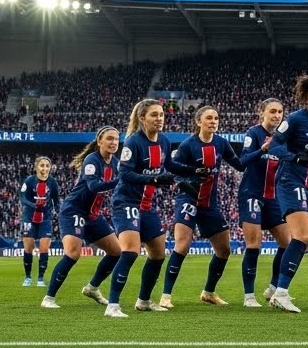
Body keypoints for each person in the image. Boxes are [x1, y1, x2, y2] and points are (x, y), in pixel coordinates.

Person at [106, 99, 194, 317]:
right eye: (154, 115)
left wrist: (191, 171)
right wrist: (154, 179)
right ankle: (112, 305)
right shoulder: (133, 142)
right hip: (127, 202)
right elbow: (125, 174)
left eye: (161, 114)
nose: (159, 118)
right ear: (142, 118)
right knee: (130, 251)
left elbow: (170, 166)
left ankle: (144, 301)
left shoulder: (164, 141)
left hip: (148, 205)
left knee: (158, 253)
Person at [162, 105, 246, 308]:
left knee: (224, 250)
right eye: (209, 118)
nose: (213, 121)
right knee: (182, 245)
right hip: (188, 199)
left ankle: (208, 292)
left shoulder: (221, 143)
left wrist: (261, 152)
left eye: (216, 118)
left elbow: (240, 164)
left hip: (209, 203)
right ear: (199, 122)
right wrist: (184, 183)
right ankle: (166, 296)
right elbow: (174, 172)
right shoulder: (188, 145)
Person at [266, 74, 308, 313]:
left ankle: (275, 287)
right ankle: (281, 293)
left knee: (304, 243)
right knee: (301, 237)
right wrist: (293, 156)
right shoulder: (295, 119)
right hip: (290, 181)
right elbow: (274, 145)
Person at [41, 126, 124, 310]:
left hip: (93, 215)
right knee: (73, 253)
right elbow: (94, 186)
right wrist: (121, 180)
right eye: (109, 139)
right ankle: (49, 298)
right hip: (74, 210)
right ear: (99, 141)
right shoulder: (92, 160)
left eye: (116, 139)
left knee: (117, 252)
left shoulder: (116, 163)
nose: (114, 142)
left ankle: (92, 288)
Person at [238, 98, 292, 307]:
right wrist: (262, 149)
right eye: (272, 111)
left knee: (287, 243)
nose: (277, 115)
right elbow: (242, 161)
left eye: (280, 112)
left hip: (274, 197)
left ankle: (273, 288)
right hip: (252, 194)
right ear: (262, 112)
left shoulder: (283, 138)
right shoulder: (253, 133)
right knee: (254, 244)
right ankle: (249, 296)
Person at [18, 156, 57, 287]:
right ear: (36, 167)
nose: (44, 168)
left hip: (46, 218)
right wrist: (33, 205)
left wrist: (57, 212)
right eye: (42, 165)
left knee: (44, 248)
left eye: (47, 166)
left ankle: (40, 278)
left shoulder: (52, 182)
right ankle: (28, 277)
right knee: (28, 248)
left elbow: (56, 200)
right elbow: (22, 197)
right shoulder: (29, 181)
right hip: (29, 218)